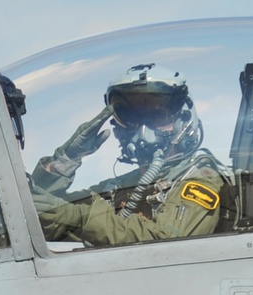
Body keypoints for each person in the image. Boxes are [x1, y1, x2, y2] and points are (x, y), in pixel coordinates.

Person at [30, 64, 229, 247]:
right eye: (130, 117)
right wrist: (64, 161)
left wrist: (80, 218)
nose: (142, 129)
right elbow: (45, 219)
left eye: (157, 116)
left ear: (182, 120)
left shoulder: (199, 180)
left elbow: (167, 243)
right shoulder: (125, 186)